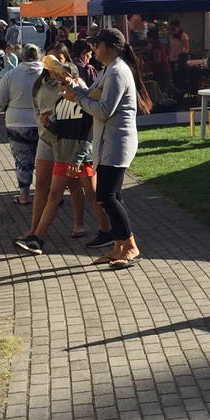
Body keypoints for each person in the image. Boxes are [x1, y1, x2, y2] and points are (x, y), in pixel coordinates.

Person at [61, 28, 152, 268]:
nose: (93, 49)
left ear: (110, 47)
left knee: (106, 196)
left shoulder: (118, 72)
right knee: (113, 195)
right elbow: (92, 95)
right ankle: (118, 246)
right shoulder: (108, 70)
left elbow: (103, 110)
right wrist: (74, 88)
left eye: (97, 45)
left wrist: (77, 99)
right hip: (107, 142)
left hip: (117, 142)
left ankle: (130, 246)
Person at [15, 54, 109, 255]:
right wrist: (50, 125)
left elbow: (88, 133)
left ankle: (107, 231)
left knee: (93, 195)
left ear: (73, 80)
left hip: (82, 157)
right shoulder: (60, 102)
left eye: (63, 80)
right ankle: (37, 238)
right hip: (62, 154)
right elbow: (62, 130)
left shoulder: (84, 101)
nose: (59, 84)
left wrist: (78, 158)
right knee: (53, 195)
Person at [0, 43, 44, 205]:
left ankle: (24, 195)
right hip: (43, 122)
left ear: (22, 56)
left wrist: (0, 109)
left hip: (17, 122)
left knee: (22, 160)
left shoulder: (11, 75)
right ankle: (48, 194)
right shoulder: (46, 74)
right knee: (45, 160)